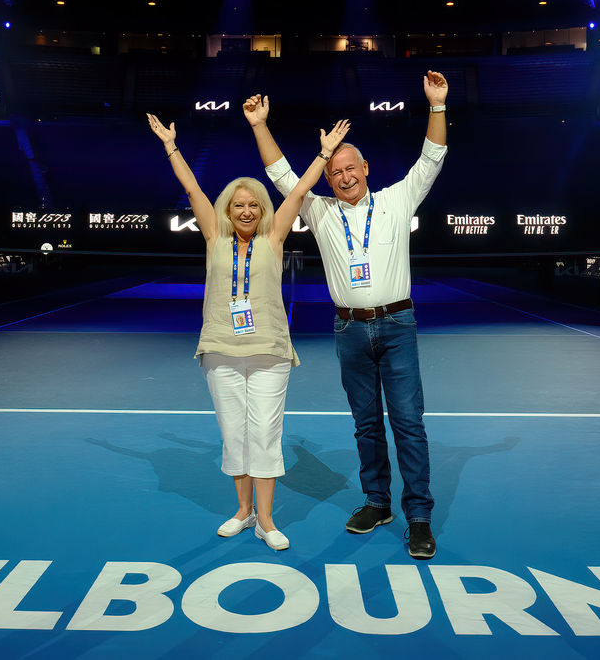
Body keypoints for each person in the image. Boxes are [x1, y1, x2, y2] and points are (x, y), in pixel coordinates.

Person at [242, 71, 448, 559]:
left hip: (396, 325)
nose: (344, 176)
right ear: (329, 178)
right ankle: (377, 502)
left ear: (366, 168)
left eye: (350, 168)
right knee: (366, 425)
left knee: (408, 423)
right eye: (335, 172)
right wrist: (259, 125)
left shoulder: (398, 199)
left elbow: (432, 158)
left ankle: (418, 515)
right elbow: (282, 176)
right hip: (349, 330)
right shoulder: (319, 211)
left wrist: (436, 106)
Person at [147, 111, 350, 551]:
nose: (244, 210)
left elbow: (298, 191)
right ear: (227, 209)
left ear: (262, 209)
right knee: (234, 434)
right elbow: (192, 189)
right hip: (219, 349)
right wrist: (171, 146)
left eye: (252, 204)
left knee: (264, 434)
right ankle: (243, 511)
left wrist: (325, 154)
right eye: (237, 204)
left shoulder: (274, 237)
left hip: (270, 351)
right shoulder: (214, 238)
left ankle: (267, 520)